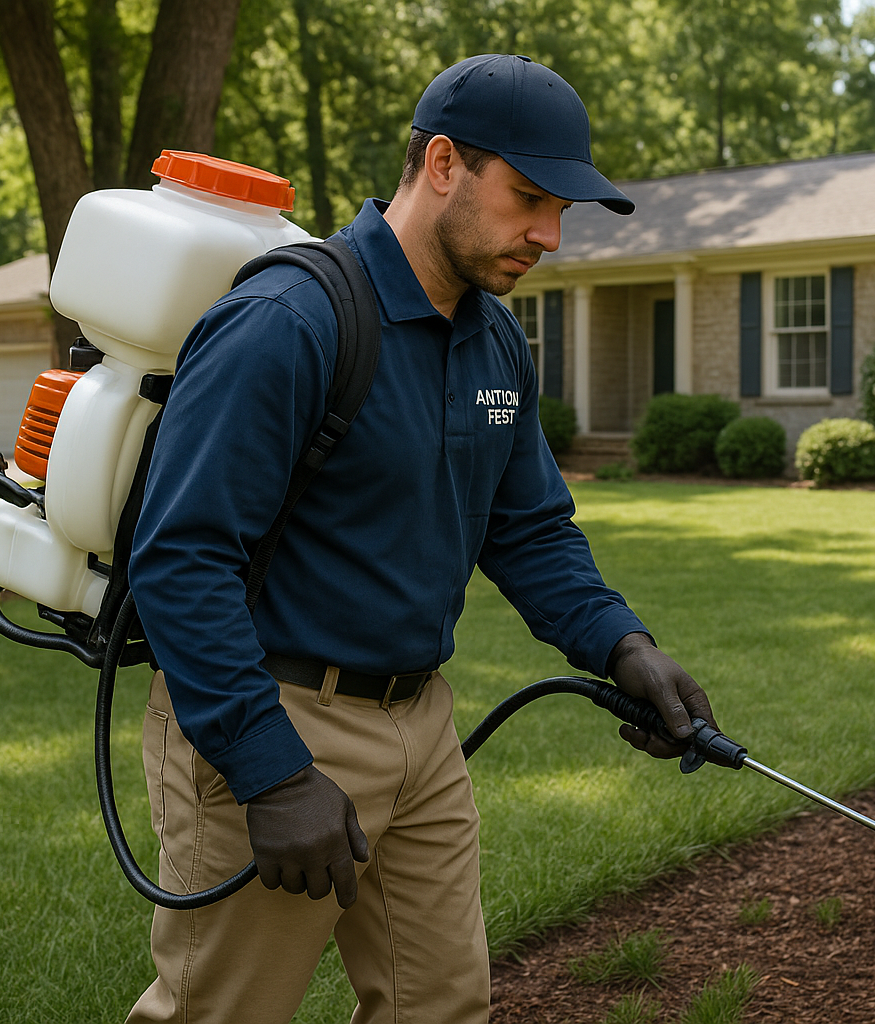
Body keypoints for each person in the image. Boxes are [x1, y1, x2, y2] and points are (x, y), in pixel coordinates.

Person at [125, 53, 716, 1024]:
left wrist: (625, 644)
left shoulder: (493, 340)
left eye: (563, 210)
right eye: (530, 198)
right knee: (223, 1012)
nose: (551, 236)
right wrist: (267, 764)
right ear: (442, 163)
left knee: (440, 1004)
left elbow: (527, 529)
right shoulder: (289, 319)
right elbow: (180, 557)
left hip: (422, 724)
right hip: (269, 711)